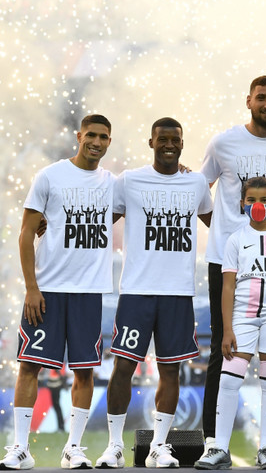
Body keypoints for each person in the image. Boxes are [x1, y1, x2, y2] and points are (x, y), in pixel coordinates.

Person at [200, 75, 266, 468]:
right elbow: (200, 188)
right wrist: (232, 232)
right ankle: (215, 442)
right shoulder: (223, 141)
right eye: (261, 97)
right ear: (248, 100)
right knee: (221, 352)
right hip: (228, 263)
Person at [0, 114, 115, 470]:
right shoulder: (49, 176)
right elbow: (25, 233)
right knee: (29, 366)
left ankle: (73, 448)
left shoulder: (113, 183)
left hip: (89, 291)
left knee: (84, 371)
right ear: (78, 136)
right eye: (90, 135)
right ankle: (20, 448)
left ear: (110, 142)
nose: (96, 141)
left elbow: (129, 206)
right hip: (47, 290)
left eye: (103, 137)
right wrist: (31, 287)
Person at [95, 117, 213, 469]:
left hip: (178, 294)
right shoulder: (129, 180)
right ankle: (115, 445)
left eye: (175, 139)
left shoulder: (196, 183)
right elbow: (100, 219)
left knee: (171, 371)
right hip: (136, 292)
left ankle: (159, 446)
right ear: (151, 142)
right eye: (162, 139)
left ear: (182, 142)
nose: (169, 145)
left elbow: (218, 223)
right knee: (123, 368)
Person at [195, 177, 266, 470]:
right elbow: (227, 287)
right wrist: (227, 329)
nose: (258, 206)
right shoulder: (235, 239)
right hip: (242, 317)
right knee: (228, 380)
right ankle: (219, 449)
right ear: (242, 204)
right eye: (251, 200)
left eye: (264, 200)